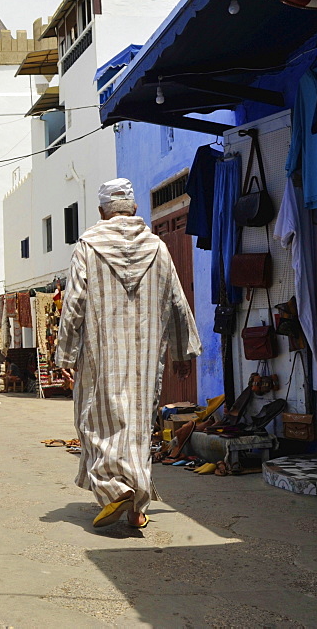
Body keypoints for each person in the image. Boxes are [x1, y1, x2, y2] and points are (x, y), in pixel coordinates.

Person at [55, 178, 200, 530]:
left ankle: (114, 487)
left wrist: (64, 355)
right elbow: (177, 300)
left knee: (96, 422)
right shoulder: (158, 248)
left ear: (103, 211)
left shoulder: (88, 246)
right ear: (134, 209)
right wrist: (184, 351)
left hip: (99, 356)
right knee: (137, 427)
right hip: (145, 358)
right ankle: (137, 509)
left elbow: (74, 303)